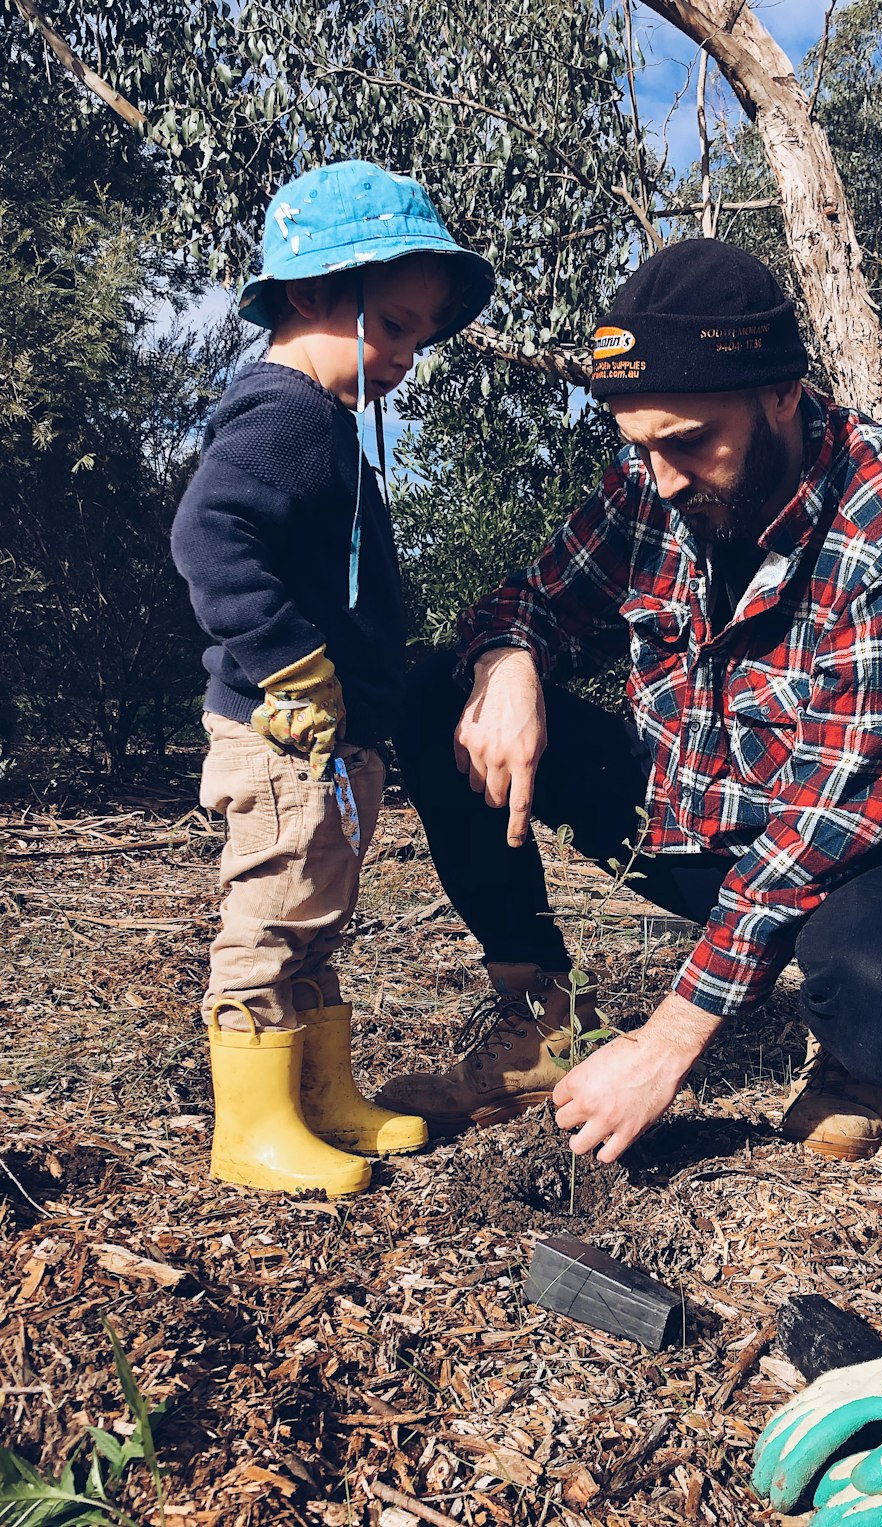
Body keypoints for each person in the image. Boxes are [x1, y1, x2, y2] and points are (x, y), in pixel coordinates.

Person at [377, 238, 882, 1165]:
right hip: (695, 812)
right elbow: (530, 600)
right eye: (640, 444)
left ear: (782, 394)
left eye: (688, 442)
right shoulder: (653, 483)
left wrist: (669, 1040)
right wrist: (509, 662)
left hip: (866, 846)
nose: (662, 476)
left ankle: (855, 1062)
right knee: (441, 693)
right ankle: (539, 1014)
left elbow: (833, 812)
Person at [171, 160, 494, 1195]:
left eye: (416, 336)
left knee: (314, 912)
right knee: (271, 918)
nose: (406, 355)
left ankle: (318, 1097)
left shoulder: (323, 424)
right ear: (315, 293)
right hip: (282, 733)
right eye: (394, 325)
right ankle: (252, 1130)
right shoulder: (288, 418)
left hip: (327, 736)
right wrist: (290, 663)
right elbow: (208, 535)